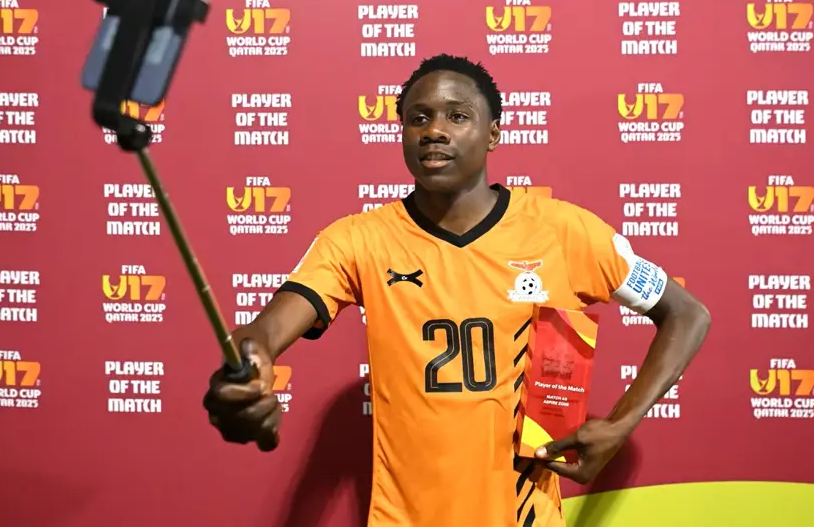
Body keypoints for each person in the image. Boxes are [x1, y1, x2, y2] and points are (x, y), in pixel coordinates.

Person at [203, 54, 711, 527]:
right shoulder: (356, 240)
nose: (434, 130)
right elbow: (267, 330)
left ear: (493, 134)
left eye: (457, 116)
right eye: (418, 118)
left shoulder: (563, 231)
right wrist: (248, 363)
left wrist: (620, 425)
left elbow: (687, 314)